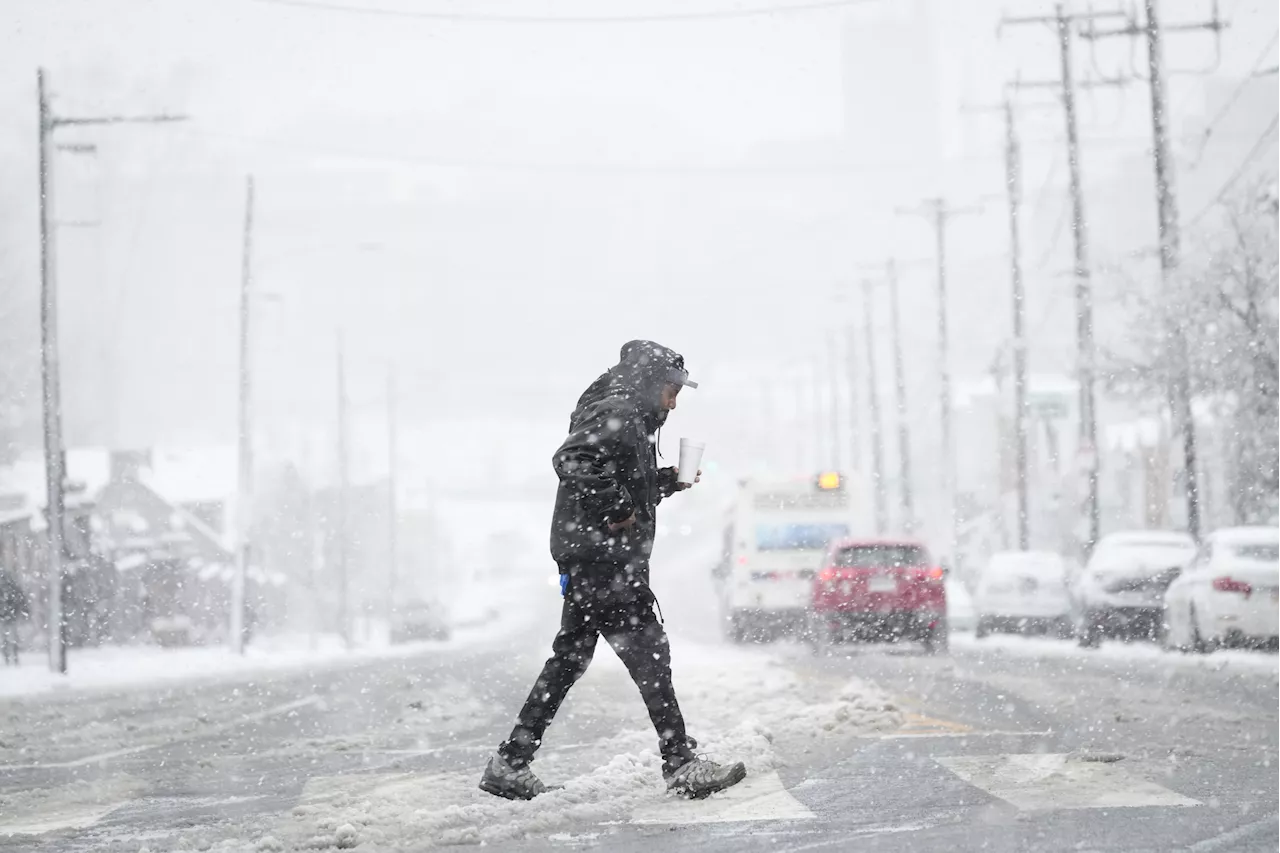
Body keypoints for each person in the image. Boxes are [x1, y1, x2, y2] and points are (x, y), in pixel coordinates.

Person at [479, 340, 747, 801]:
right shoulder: (617, 410)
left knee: (570, 660)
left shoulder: (627, 415)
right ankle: (679, 762)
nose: (674, 401)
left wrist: (661, 482)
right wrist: (616, 505)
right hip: (604, 562)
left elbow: (607, 472)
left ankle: (511, 761)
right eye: (670, 388)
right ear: (648, 383)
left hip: (595, 558)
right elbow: (573, 460)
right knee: (650, 656)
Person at [0, 567, 30, 666]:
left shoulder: (10, 588)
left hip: (6, 616)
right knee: (11, 637)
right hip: (10, 616)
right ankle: (12, 657)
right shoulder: (13, 587)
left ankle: (9, 657)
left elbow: (21, 599)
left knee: (7, 638)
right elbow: (21, 599)